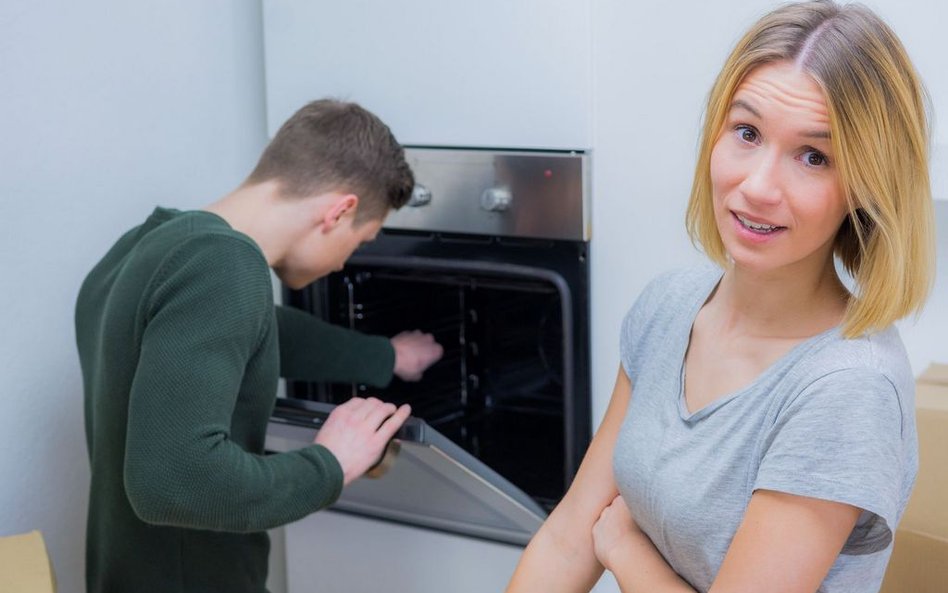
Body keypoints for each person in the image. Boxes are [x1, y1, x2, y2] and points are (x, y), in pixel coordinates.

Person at [506, 1, 934, 592]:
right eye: (747, 133)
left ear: (867, 184)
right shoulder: (668, 309)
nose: (757, 187)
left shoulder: (847, 387)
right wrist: (598, 537)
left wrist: (625, 549)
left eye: (814, 156)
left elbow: (603, 534)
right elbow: (567, 538)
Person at [74, 98, 444, 593]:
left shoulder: (145, 248)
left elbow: (249, 331)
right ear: (340, 211)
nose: (342, 266)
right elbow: (174, 481)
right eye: (361, 242)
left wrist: (386, 355)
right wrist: (331, 463)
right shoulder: (227, 265)